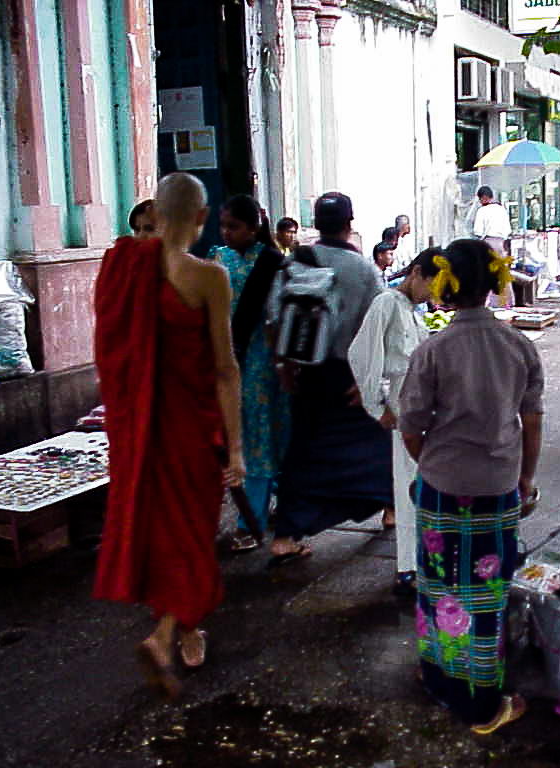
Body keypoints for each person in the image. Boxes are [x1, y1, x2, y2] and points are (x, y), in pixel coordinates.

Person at [93, 172, 244, 698]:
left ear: (154, 213)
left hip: (142, 428)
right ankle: (167, 634)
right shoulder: (209, 278)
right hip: (189, 427)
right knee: (193, 533)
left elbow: (113, 355)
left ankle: (181, 628)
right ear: (202, 219)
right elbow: (226, 370)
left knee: (164, 532)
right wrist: (239, 447)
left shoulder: (119, 267)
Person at [400, 239, 543, 734]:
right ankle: (482, 700)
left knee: (439, 584)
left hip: (441, 486)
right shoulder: (519, 346)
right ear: (495, 283)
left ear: (443, 284)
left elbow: (411, 425)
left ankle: (439, 676)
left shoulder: (432, 350)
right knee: (486, 591)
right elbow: (532, 420)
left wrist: (431, 463)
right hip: (498, 487)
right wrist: (525, 478)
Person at [269, 192, 392, 564]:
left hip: (306, 372)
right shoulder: (364, 270)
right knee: (374, 444)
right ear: (349, 223)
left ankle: (286, 534)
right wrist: (370, 379)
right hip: (350, 374)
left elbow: (275, 319)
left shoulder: (295, 263)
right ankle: (390, 507)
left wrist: (284, 366)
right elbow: (380, 327)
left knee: (304, 449)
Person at [348, 248, 442, 597]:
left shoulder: (412, 312)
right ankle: (408, 568)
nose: (432, 295)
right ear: (416, 272)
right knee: (408, 490)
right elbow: (362, 356)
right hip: (401, 411)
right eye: (432, 285)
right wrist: (378, 405)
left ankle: (421, 561)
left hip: (419, 412)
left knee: (418, 487)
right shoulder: (386, 304)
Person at [211, 195, 288, 552]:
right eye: (223, 225)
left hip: (260, 363)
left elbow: (276, 319)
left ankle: (249, 522)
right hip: (225, 359)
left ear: (254, 228)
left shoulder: (272, 263)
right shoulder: (217, 258)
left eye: (234, 226)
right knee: (234, 435)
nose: (227, 233)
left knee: (258, 437)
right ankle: (262, 506)